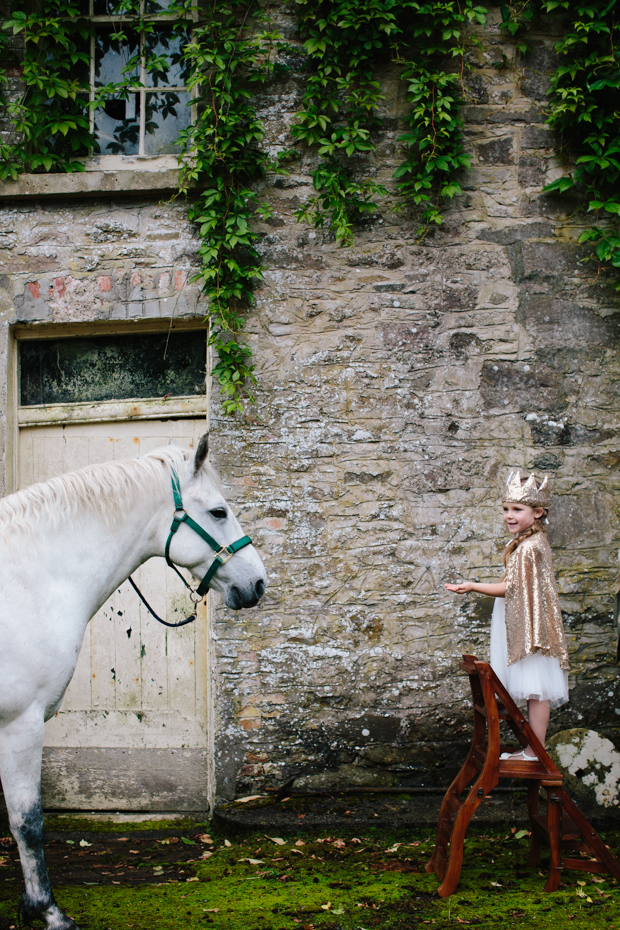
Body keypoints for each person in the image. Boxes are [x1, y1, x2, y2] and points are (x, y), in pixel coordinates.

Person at [445, 471, 569, 761]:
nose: (509, 516)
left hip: (530, 628)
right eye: (505, 509)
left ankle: (534, 752)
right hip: (530, 622)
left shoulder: (529, 547)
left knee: (537, 691)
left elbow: (510, 589)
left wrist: (473, 585)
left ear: (537, 511)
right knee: (536, 691)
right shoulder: (530, 542)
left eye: (517, 509)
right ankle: (532, 750)